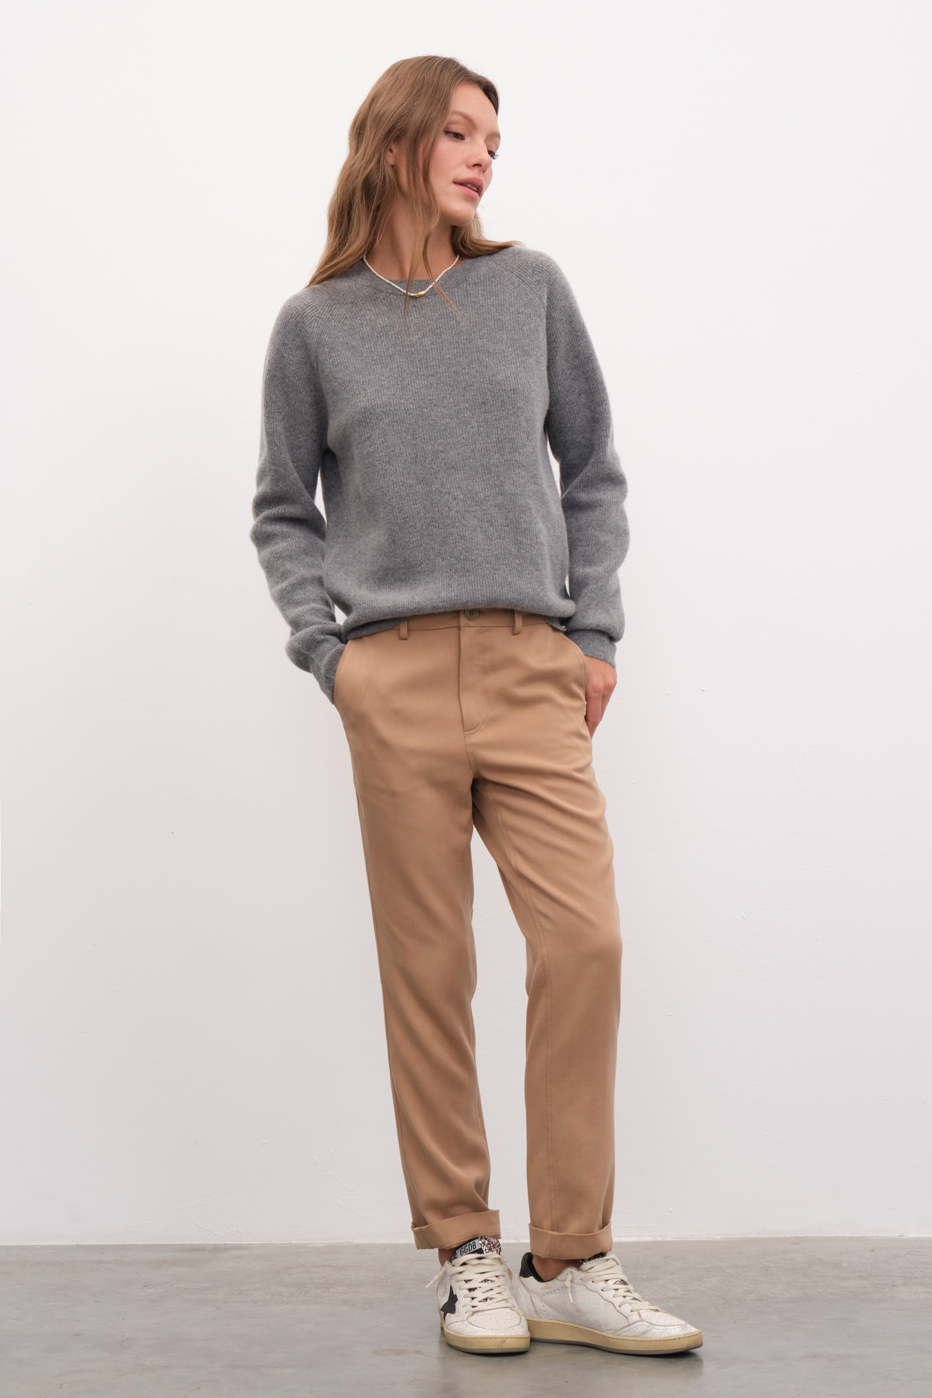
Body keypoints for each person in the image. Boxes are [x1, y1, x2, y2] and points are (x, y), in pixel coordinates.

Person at [251, 54, 701, 1358]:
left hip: (528, 663)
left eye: (493, 138)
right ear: (395, 144)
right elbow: (284, 508)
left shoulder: (529, 290)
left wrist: (594, 632)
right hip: (390, 672)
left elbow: (593, 471)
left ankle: (570, 1256)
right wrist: (331, 657)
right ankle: (465, 1250)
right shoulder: (315, 325)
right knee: (430, 970)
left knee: (586, 943)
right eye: (459, 131)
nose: (483, 155)